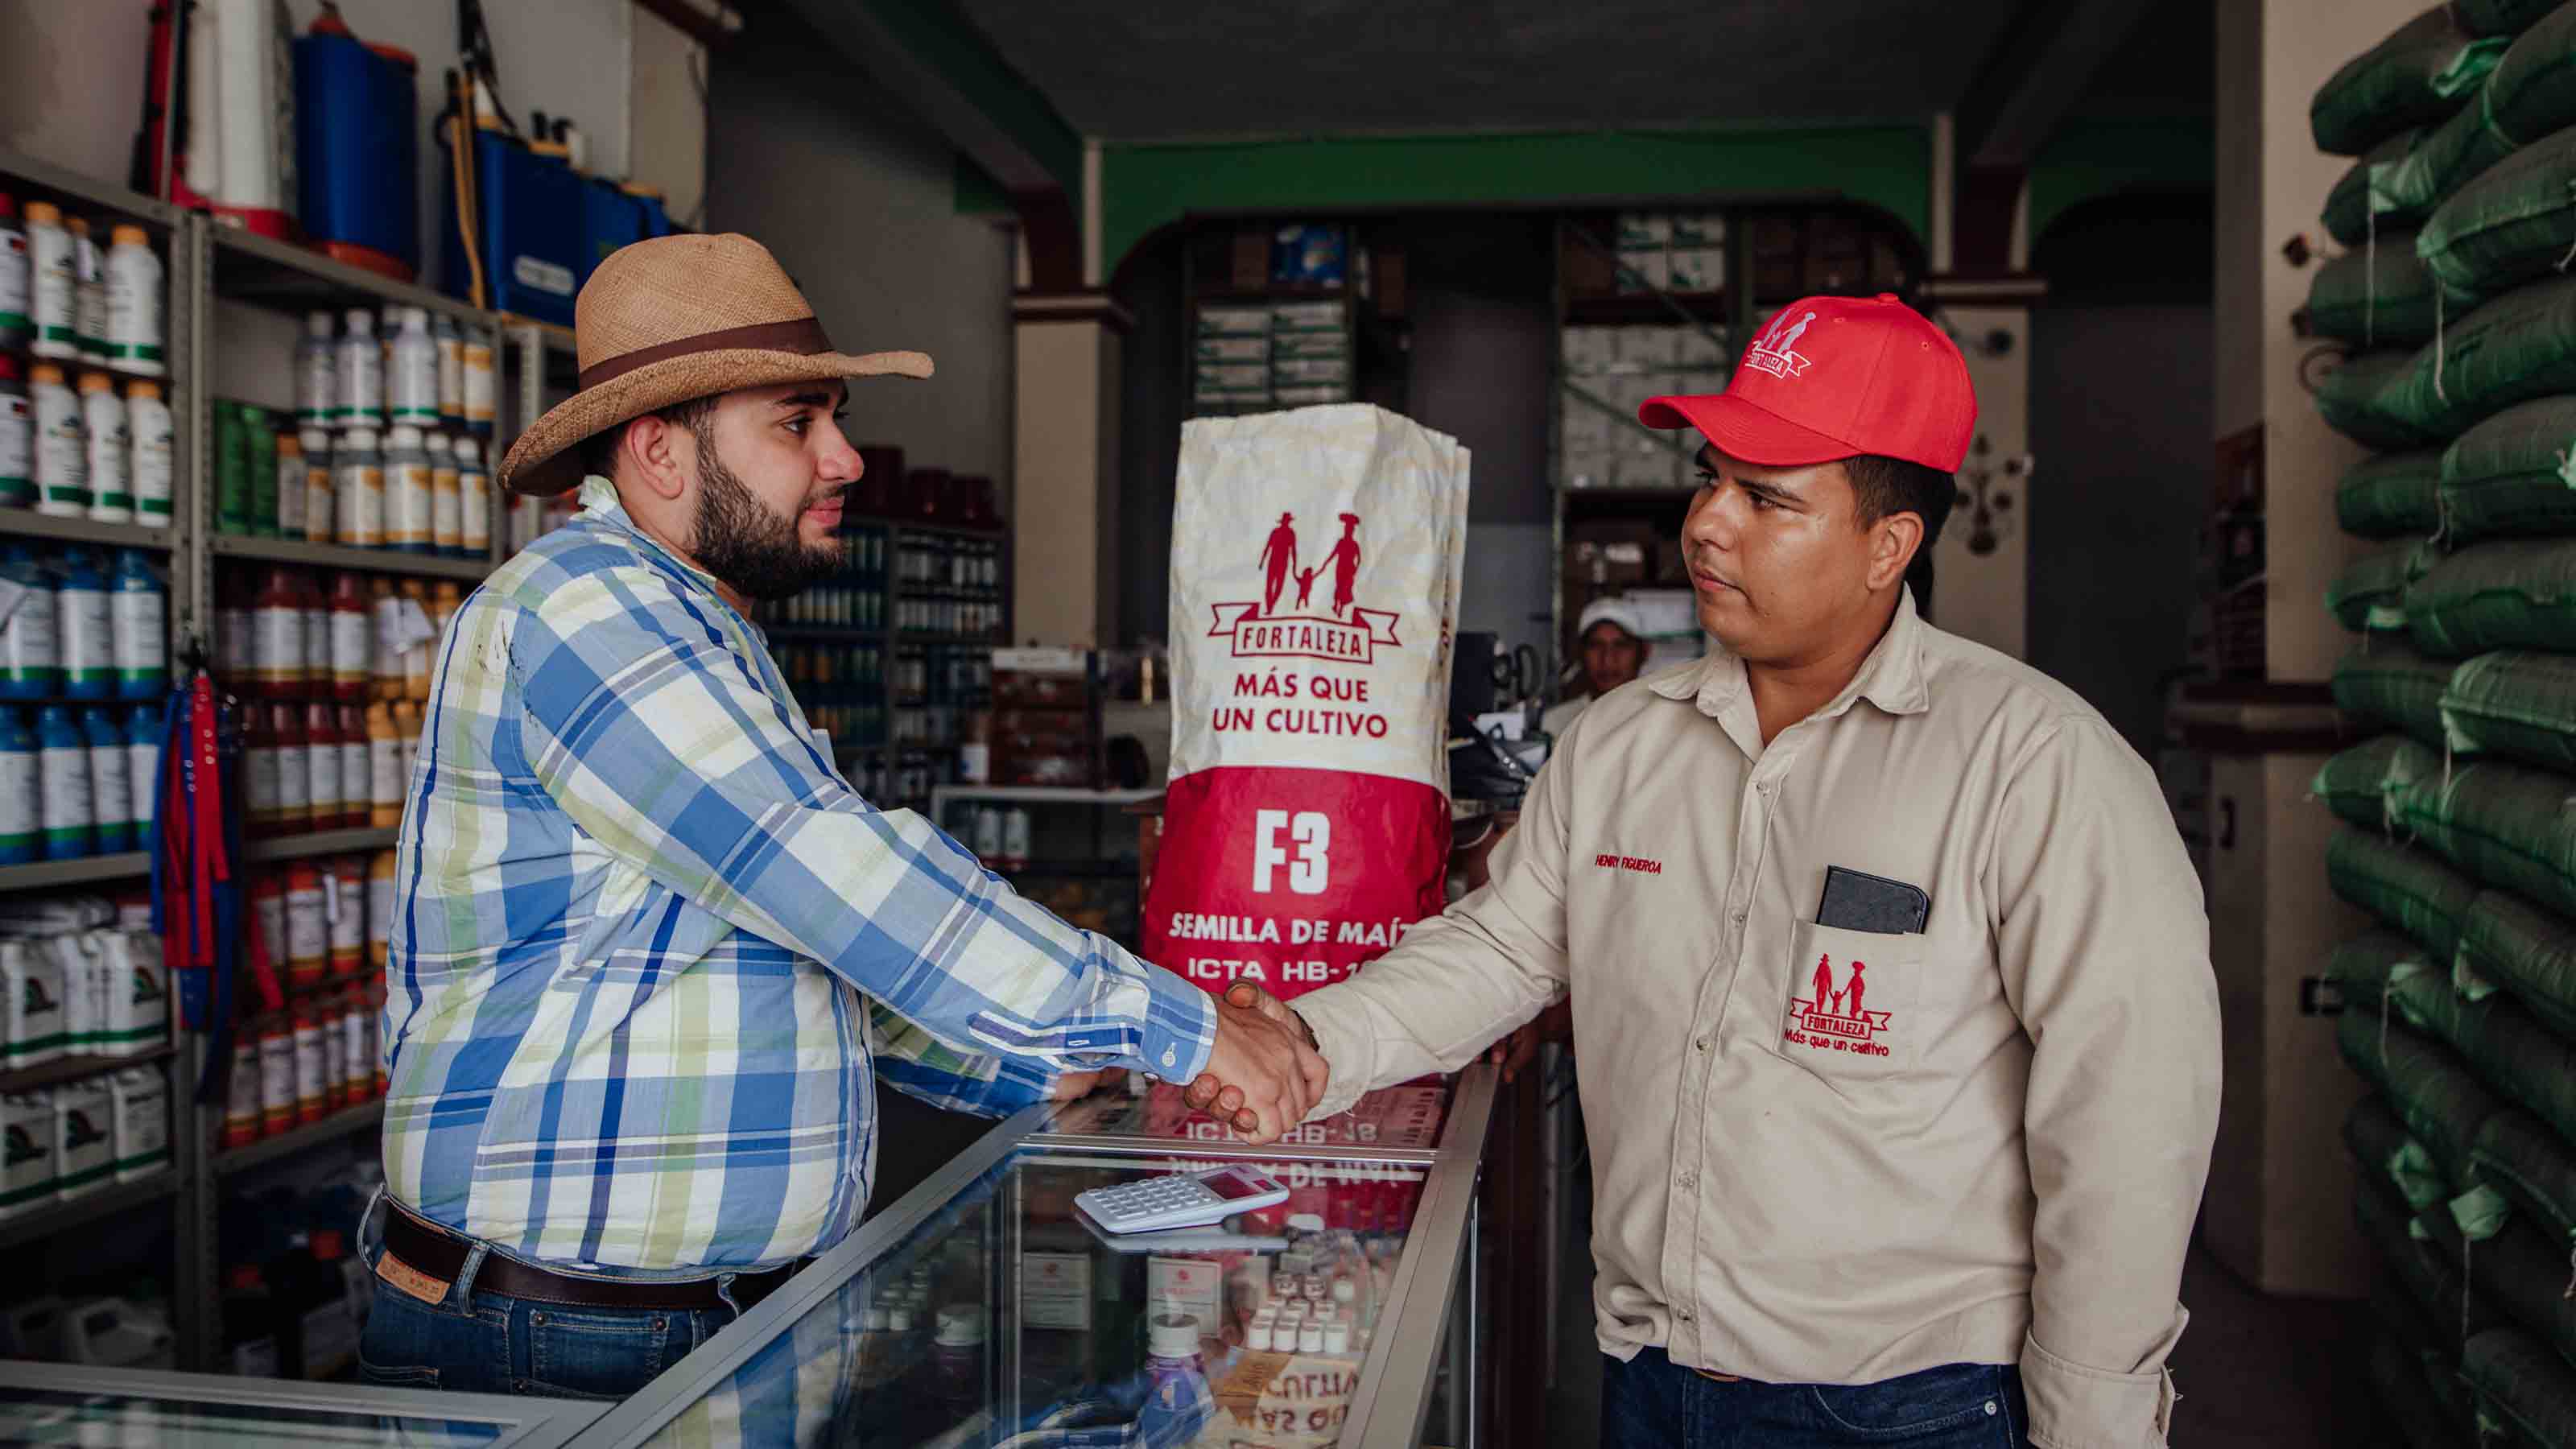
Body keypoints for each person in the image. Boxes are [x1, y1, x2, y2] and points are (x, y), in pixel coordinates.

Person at [1203, 293, 2220, 1448]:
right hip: (1651, 1372)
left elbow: (2128, 1122)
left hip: (1910, 1404)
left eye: (1769, 497)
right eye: (1709, 477)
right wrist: (1313, 1045)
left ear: (1889, 545)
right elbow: (1500, 947)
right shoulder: (1623, 741)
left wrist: (2092, 1424)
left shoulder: (2039, 767)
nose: (1707, 525)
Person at [360, 233, 1321, 1401]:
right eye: (797, 421)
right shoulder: (584, 606)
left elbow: (784, 957)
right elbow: (836, 876)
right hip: (561, 1337)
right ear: (660, 450)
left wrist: (1045, 1066)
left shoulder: (707, 635)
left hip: (677, 1325)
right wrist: (1184, 1029)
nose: (847, 458)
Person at [1541, 596, 1648, 736]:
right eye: (1596, 646)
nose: (1608, 660)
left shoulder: (1661, 720)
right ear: (1580, 653)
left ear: (1644, 652)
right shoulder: (1556, 722)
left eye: (1621, 645)